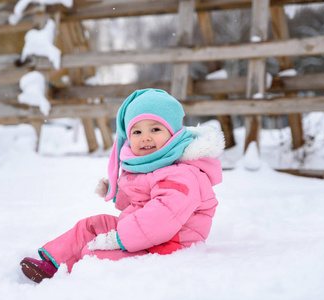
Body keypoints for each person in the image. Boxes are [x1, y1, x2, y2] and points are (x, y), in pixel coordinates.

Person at [20, 88, 224, 283]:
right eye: (136, 132)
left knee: (94, 254)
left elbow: (160, 217)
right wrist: (117, 191)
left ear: (173, 133)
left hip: (170, 244)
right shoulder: (151, 165)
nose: (145, 137)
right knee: (92, 225)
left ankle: (77, 278)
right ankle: (53, 264)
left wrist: (118, 239)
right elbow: (141, 201)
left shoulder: (182, 174)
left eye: (155, 129)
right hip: (142, 235)